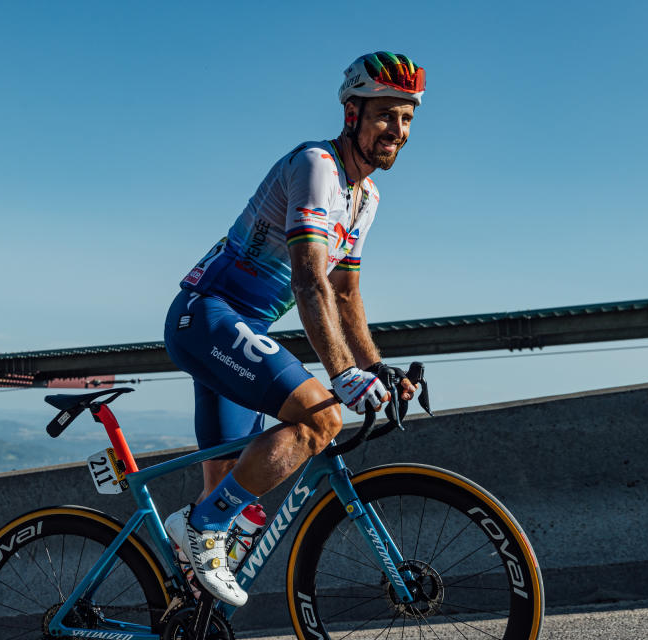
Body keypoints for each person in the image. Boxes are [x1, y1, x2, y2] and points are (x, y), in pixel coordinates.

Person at [163, 51, 425, 606]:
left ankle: (190, 597)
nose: (397, 131)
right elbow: (310, 280)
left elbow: (346, 291)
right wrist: (343, 374)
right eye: (385, 115)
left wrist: (374, 365)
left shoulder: (367, 196)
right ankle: (201, 527)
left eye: (406, 118)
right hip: (208, 315)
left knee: (232, 487)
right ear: (352, 113)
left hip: (240, 330)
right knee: (320, 416)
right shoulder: (318, 167)